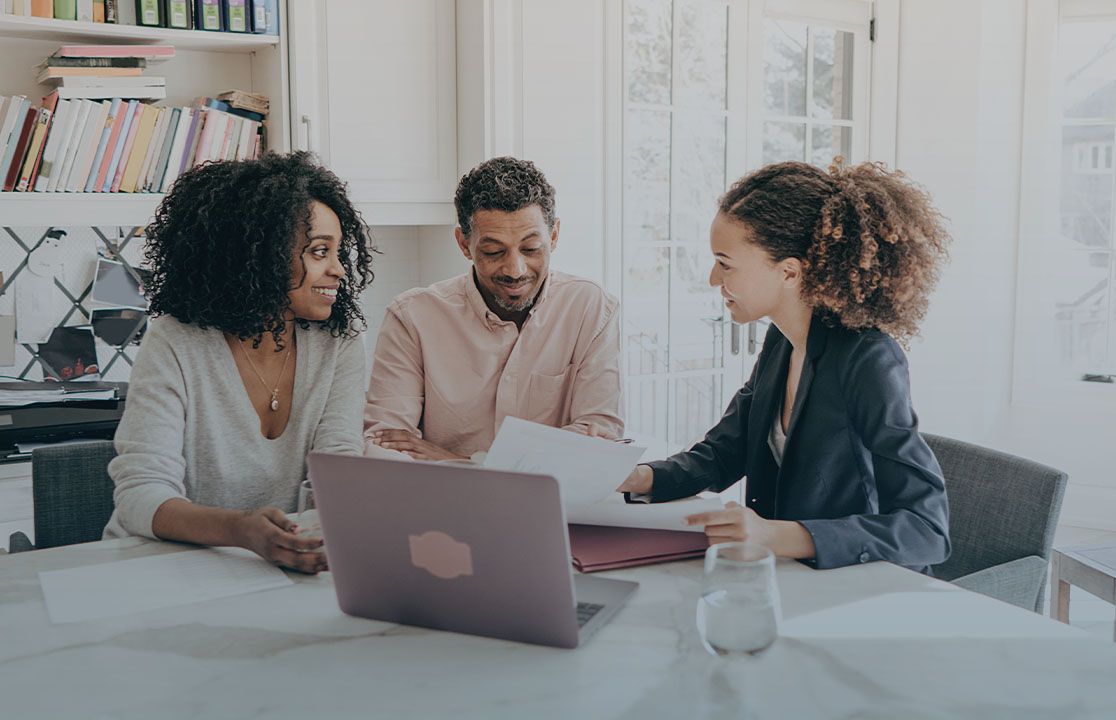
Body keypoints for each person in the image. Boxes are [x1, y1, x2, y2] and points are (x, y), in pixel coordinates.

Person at [618, 160, 952, 572]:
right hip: (790, 579)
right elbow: (724, 453)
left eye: (725, 263)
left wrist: (777, 537)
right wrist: (635, 478)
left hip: (859, 586)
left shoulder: (867, 359)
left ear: (789, 271)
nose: (711, 279)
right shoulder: (782, 340)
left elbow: (926, 529)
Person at [103, 151, 376, 575]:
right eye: (320, 252)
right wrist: (241, 530)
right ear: (260, 254)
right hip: (162, 569)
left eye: (339, 252)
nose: (339, 270)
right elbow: (141, 495)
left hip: (277, 566)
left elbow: (337, 469)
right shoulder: (176, 340)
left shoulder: (338, 343)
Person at [364, 156, 622, 461]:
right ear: (464, 244)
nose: (515, 269)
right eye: (493, 251)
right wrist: (548, 452)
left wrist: (462, 462)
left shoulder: (592, 309)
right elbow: (386, 446)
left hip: (552, 506)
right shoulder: (411, 318)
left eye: (530, 249)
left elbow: (599, 439)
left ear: (553, 237)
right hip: (442, 505)